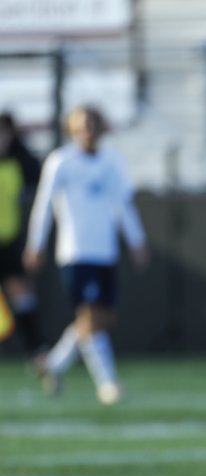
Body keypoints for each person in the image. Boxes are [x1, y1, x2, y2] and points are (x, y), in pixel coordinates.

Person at [24, 106, 148, 405]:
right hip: (76, 251)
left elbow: (123, 203)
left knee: (101, 320)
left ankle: (52, 365)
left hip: (105, 251)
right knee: (90, 316)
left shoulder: (112, 161)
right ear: (72, 129)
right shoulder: (61, 161)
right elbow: (44, 203)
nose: (88, 130)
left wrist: (137, 240)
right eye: (82, 125)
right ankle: (108, 384)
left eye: (93, 124)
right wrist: (35, 243)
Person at [0, 113, 45, 356]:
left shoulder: (17, 165)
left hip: (7, 244)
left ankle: (37, 353)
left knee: (23, 296)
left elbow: (38, 171)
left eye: (3, 134)